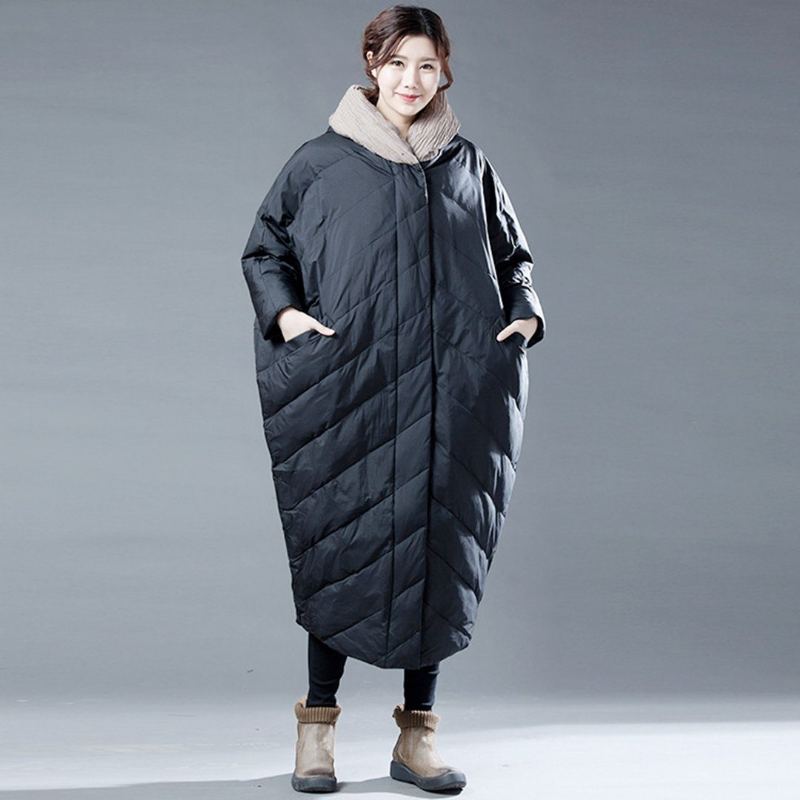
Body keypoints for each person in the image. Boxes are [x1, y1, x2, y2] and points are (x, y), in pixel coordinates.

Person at [240, 5, 545, 794]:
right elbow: (266, 248)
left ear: (445, 72)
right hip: (353, 389)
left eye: (427, 66)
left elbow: (512, 256)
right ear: (372, 64)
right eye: (397, 63)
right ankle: (317, 731)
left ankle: (417, 740)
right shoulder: (320, 162)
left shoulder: (468, 164)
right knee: (340, 548)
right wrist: (288, 316)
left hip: (451, 389)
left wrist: (523, 316)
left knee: (437, 555)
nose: (412, 80)